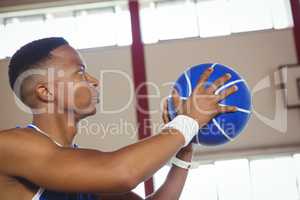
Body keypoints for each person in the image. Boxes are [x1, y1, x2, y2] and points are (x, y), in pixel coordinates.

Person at [0, 37, 237, 200]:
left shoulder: (78, 167)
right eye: (80, 72)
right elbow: (123, 173)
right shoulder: (10, 146)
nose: (94, 80)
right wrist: (187, 121)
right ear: (46, 91)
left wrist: (184, 150)